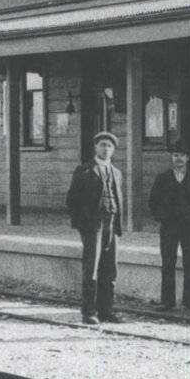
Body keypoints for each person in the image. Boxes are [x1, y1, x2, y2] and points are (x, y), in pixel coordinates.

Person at [63, 131, 125, 324]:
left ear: (113, 150)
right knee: (92, 268)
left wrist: (116, 224)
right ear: (95, 147)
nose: (106, 149)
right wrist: (84, 226)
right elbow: (72, 200)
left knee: (110, 268)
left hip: (112, 223)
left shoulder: (116, 172)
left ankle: (106, 310)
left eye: (109, 146)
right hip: (94, 225)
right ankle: (89, 312)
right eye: (102, 145)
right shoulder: (84, 170)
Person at [147, 136, 190, 307]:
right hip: (168, 227)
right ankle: (167, 302)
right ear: (171, 158)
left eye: (182, 155)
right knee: (168, 263)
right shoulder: (163, 178)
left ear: (188, 158)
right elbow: (153, 202)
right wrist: (163, 217)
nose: (178, 158)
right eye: (175, 155)